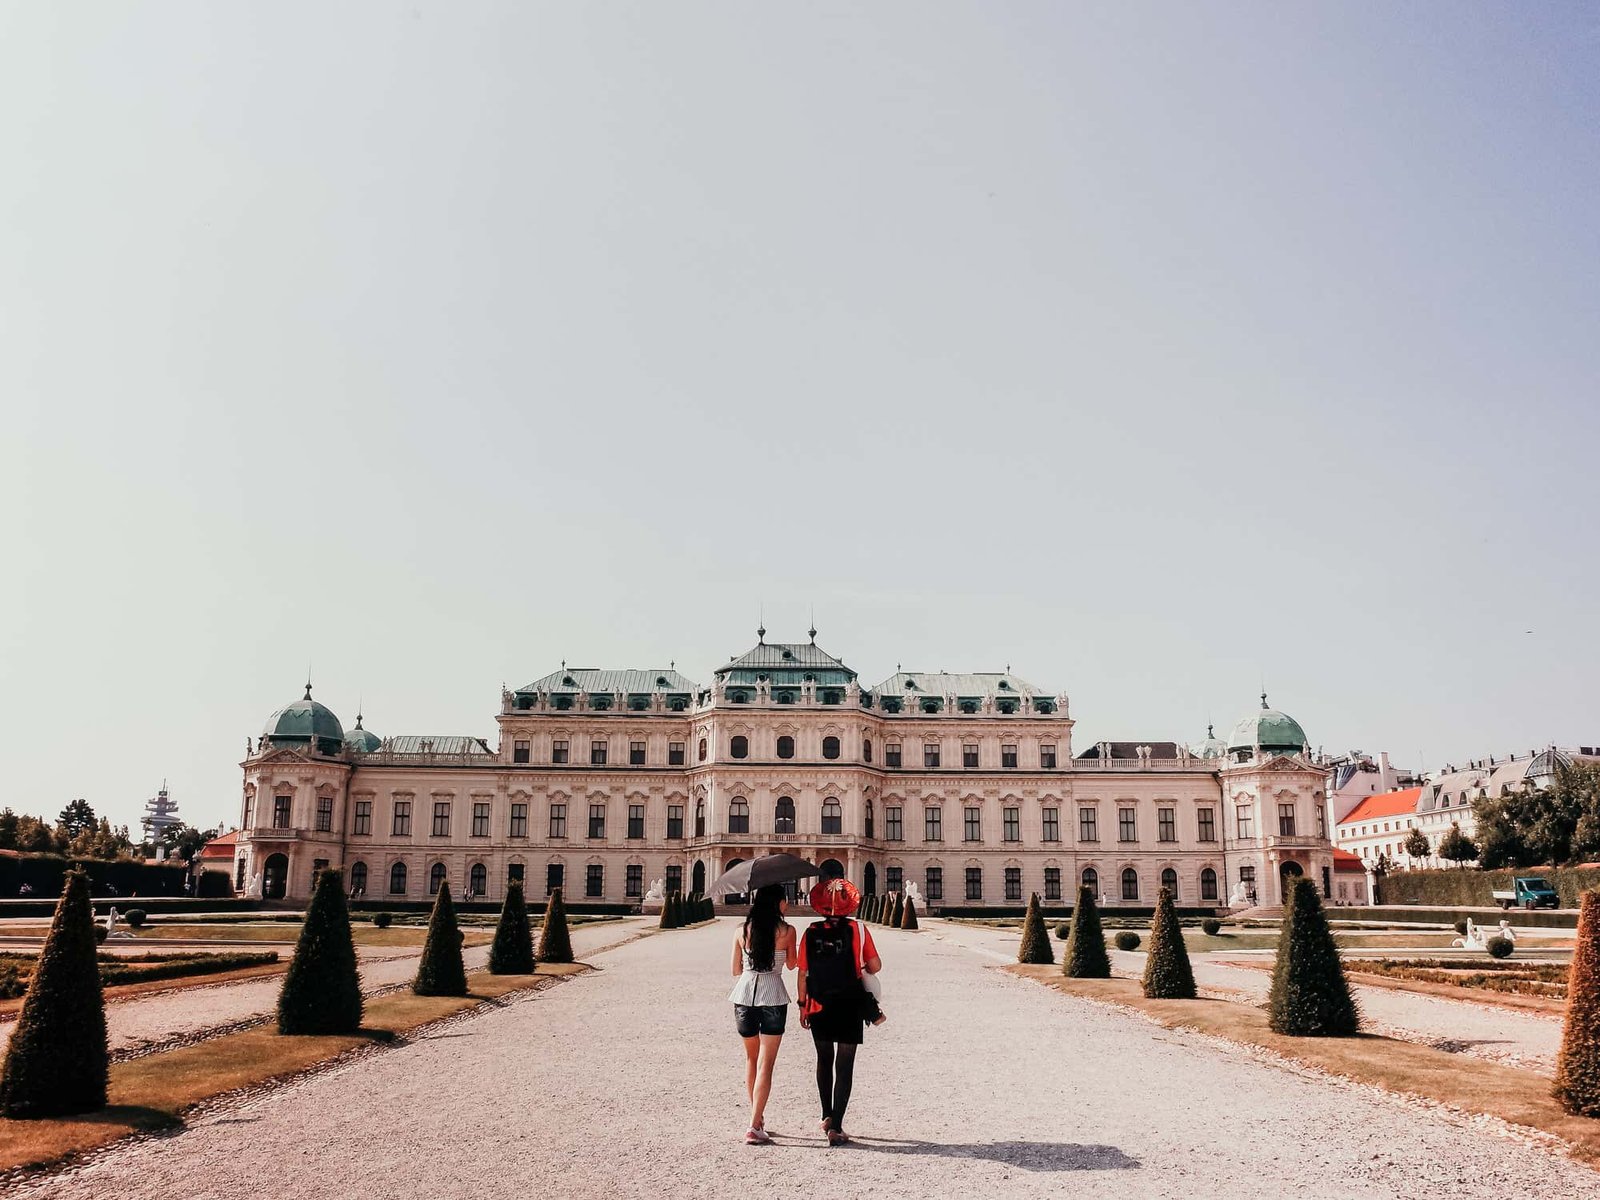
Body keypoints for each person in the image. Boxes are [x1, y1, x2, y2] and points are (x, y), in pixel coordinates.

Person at [797, 878, 882, 1146]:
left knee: (824, 1059)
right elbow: (876, 965)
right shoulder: (859, 929)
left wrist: (802, 1005)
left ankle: (825, 1115)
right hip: (850, 1001)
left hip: (819, 1002)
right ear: (850, 905)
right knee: (844, 1066)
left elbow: (802, 973)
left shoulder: (810, 931)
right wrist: (863, 969)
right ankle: (837, 1125)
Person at [728, 883, 797, 1145]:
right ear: (778, 904)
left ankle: (757, 1118)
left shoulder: (741, 931)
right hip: (773, 996)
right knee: (766, 1064)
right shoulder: (787, 931)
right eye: (785, 900)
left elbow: (735, 969)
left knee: (751, 1060)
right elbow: (792, 964)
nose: (787, 904)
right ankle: (754, 1125)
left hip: (744, 997)